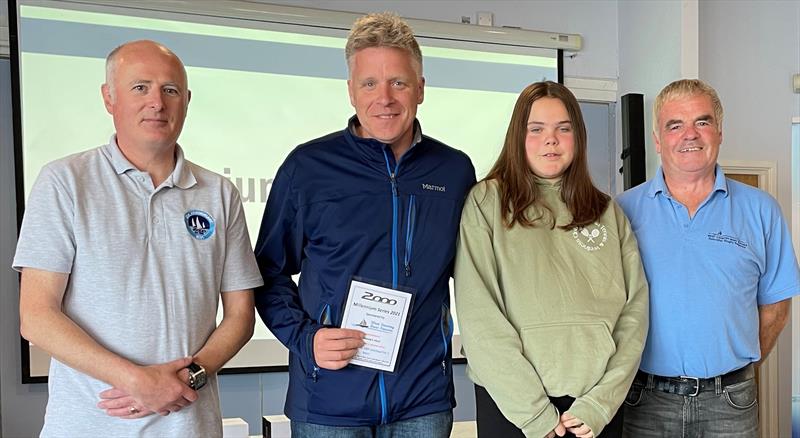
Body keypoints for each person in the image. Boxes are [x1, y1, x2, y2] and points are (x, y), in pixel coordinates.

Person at [13, 40, 263, 437]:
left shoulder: (219, 193)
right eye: (140, 87)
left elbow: (240, 316)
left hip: (190, 427)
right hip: (88, 427)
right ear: (108, 98)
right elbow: (37, 317)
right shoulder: (64, 181)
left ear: (187, 101)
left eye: (170, 90)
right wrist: (137, 381)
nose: (157, 103)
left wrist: (190, 377)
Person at [254, 12, 476, 438]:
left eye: (399, 82)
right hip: (327, 402)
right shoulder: (308, 167)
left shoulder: (454, 170)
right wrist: (306, 339)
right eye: (369, 83)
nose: (385, 98)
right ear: (351, 91)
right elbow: (267, 271)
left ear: (421, 89)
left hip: (422, 401)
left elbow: (480, 272)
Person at [454, 81, 649, 438]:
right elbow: (479, 315)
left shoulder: (607, 211)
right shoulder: (486, 202)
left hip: (593, 413)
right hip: (513, 410)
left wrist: (601, 402)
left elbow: (634, 314)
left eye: (563, 128)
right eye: (536, 129)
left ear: (578, 136)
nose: (551, 140)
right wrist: (533, 413)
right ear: (518, 136)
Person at [617, 79, 800, 437]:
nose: (690, 135)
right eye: (675, 125)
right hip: (644, 402)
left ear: (719, 132)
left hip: (730, 402)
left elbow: (776, 307)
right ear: (657, 139)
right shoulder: (622, 212)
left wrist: (729, 369)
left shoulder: (761, 210)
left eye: (702, 122)